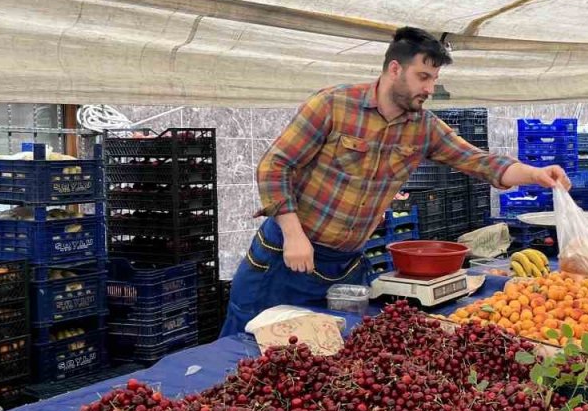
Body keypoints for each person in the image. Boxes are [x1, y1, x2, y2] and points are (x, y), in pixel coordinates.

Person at [221, 27, 569, 336]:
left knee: (324, 361)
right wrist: (294, 234)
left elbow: (477, 161)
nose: (430, 88)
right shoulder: (333, 105)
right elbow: (274, 165)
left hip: (344, 267)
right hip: (286, 256)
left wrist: (534, 174)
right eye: (422, 77)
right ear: (394, 69)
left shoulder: (423, 127)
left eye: (433, 79)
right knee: (245, 355)